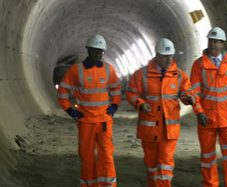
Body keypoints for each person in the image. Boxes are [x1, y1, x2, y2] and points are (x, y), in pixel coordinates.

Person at [126, 38, 196, 187]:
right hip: (149, 130)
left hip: (169, 131)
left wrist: (189, 99)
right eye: (165, 55)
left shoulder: (179, 76)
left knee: (165, 164)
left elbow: (187, 93)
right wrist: (140, 104)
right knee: (151, 165)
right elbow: (131, 93)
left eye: (171, 55)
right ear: (156, 55)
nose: (169, 58)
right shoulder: (142, 75)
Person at [57, 34, 121, 187]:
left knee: (106, 155)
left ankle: (108, 185)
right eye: (95, 50)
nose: (98, 54)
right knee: (87, 157)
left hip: (104, 121)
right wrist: (70, 110)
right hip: (85, 121)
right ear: (88, 50)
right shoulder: (76, 70)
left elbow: (116, 89)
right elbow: (62, 93)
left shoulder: (108, 70)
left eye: (101, 51)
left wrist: (114, 106)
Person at [190, 27, 227, 187]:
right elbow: (194, 92)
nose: (213, 44)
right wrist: (198, 111)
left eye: (217, 41)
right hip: (207, 118)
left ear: (223, 44)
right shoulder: (199, 65)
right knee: (207, 157)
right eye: (211, 41)